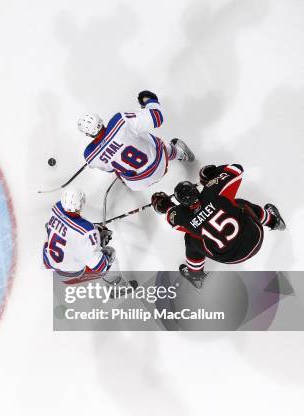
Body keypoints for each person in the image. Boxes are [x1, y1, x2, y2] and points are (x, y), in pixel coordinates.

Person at [151, 164, 286, 287]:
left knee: (191, 239)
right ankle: (274, 221)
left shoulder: (182, 217)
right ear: (196, 190)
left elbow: (170, 215)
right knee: (240, 204)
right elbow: (237, 169)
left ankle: (196, 276)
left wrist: (164, 204)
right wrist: (210, 174)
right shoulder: (213, 191)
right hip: (256, 236)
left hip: (231, 258)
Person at [78, 90, 195, 191]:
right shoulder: (119, 121)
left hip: (137, 184)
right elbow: (157, 117)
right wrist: (150, 101)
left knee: (117, 169)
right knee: (150, 140)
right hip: (160, 165)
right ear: (100, 120)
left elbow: (109, 169)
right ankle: (181, 154)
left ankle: (127, 180)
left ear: (88, 134)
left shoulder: (90, 156)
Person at [43, 187, 117, 283]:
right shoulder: (87, 230)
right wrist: (99, 243)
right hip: (69, 274)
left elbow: (65, 226)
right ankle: (116, 285)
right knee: (109, 253)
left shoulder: (56, 207)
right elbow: (99, 266)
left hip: (49, 262)